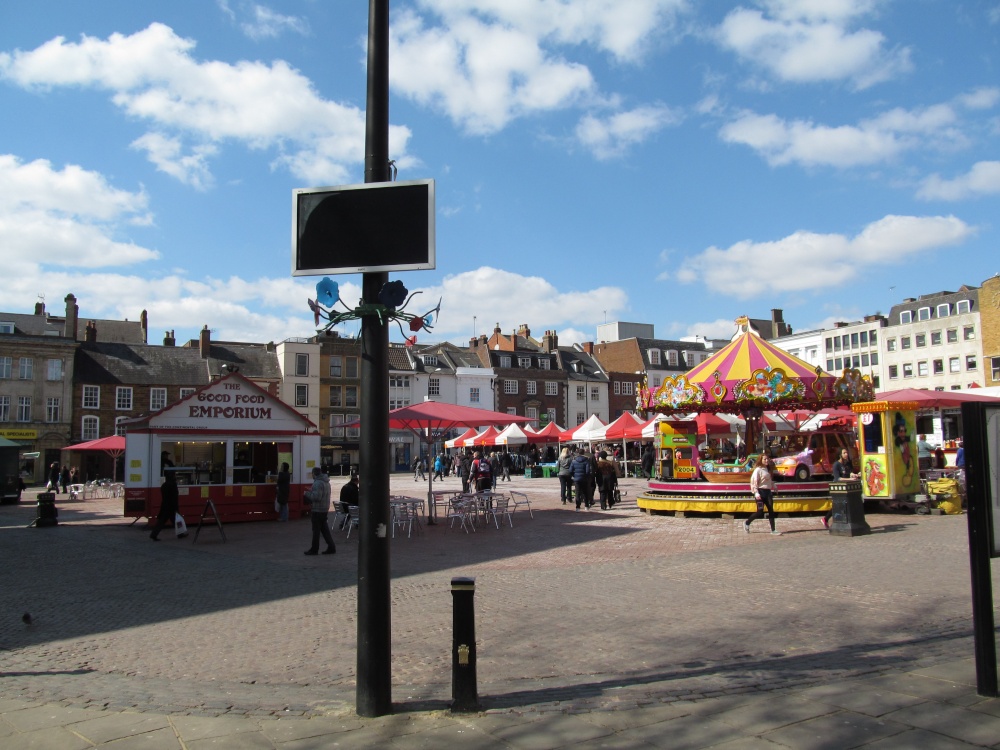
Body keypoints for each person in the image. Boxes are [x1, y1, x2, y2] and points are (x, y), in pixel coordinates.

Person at [303, 466, 336, 555]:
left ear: (314, 473)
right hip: (325, 508)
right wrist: (312, 491)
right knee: (324, 530)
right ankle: (331, 546)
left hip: (317, 509)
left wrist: (307, 493)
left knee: (316, 530)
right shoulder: (326, 482)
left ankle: (314, 549)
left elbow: (316, 497)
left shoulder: (317, 483)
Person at [823, 448, 859, 528]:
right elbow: (838, 478)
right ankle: (826, 518)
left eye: (847, 452)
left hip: (846, 487)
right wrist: (849, 479)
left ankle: (835, 520)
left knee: (843, 505)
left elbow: (849, 473)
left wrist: (854, 475)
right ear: (840, 455)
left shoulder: (847, 463)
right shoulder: (836, 465)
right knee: (838, 504)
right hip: (838, 487)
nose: (846, 454)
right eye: (844, 453)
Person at [745, 454, 780, 535]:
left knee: (771, 510)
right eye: (764, 459)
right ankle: (747, 522)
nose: (766, 461)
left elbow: (768, 480)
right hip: (760, 492)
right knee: (760, 512)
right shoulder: (758, 470)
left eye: (767, 459)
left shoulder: (767, 469)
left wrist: (773, 485)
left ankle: (773, 530)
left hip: (768, 492)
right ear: (761, 460)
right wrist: (756, 492)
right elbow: (753, 482)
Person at [149, 471, 180, 541]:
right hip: (172, 506)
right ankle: (180, 533)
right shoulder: (173, 485)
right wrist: (176, 507)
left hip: (165, 505)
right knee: (176, 521)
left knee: (162, 521)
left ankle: (154, 534)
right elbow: (175, 497)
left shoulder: (164, 485)